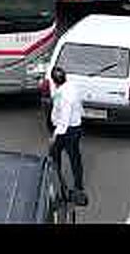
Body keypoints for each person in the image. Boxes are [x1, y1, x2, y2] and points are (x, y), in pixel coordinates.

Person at [48, 66, 87, 206]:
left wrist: (55, 135)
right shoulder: (71, 87)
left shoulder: (64, 96)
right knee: (75, 158)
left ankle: (59, 188)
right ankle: (78, 186)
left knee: (54, 156)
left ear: (54, 81)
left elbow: (64, 118)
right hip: (75, 128)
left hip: (66, 131)